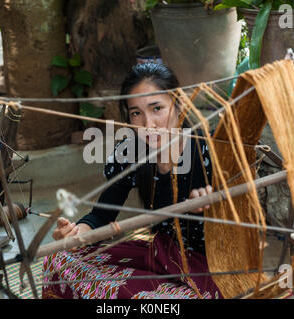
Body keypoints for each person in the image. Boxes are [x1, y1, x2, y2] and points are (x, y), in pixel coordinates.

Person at [42, 63, 222, 299]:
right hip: (161, 255)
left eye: (157, 108)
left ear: (180, 105)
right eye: (136, 113)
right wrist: (76, 234)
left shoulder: (209, 149)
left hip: (212, 265)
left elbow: (243, 216)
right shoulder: (130, 150)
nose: (148, 124)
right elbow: (102, 216)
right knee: (58, 258)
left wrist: (214, 204)